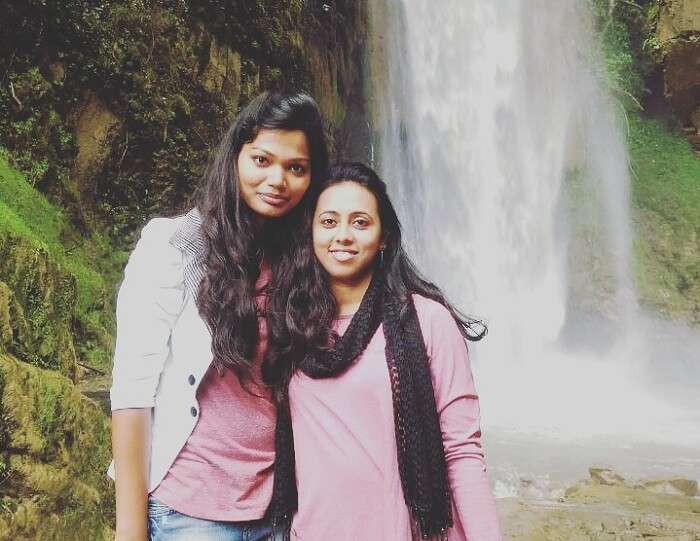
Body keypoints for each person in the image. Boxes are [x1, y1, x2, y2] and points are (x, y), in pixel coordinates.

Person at [109, 91, 329, 541]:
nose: (277, 180)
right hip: (191, 512)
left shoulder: (309, 263)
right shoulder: (175, 247)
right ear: (235, 157)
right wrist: (129, 530)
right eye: (262, 160)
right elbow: (132, 392)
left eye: (296, 168)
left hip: (283, 509)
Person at [266, 162, 504, 540]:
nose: (343, 235)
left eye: (360, 222)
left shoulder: (426, 321)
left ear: (384, 238)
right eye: (328, 222)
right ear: (310, 233)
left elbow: (462, 451)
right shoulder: (290, 326)